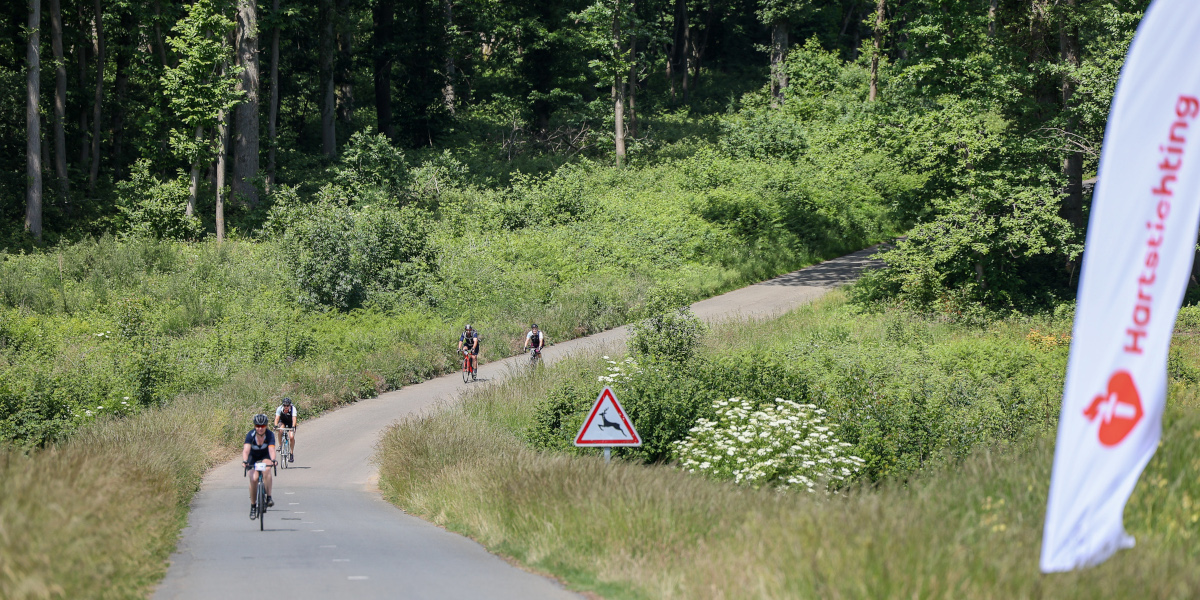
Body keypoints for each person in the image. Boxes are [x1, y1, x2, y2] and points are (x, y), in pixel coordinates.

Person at [242, 414, 277, 519]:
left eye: (262, 426)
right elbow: (246, 450)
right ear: (254, 426)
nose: (260, 428)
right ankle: (253, 506)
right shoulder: (250, 435)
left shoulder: (270, 435)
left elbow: (271, 450)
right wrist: (244, 461)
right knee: (254, 478)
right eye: (257, 426)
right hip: (253, 457)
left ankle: (269, 497)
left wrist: (274, 460)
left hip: (265, 455)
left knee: (267, 470)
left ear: (266, 426)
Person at [274, 397, 298, 463]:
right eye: (284, 405)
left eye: (287, 405)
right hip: (283, 421)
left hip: (291, 422)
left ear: (290, 405)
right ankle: (280, 445)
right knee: (280, 430)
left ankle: (291, 453)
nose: (286, 407)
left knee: (291, 437)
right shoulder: (279, 409)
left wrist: (293, 427)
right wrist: (275, 425)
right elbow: (277, 418)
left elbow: (294, 419)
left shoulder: (293, 409)